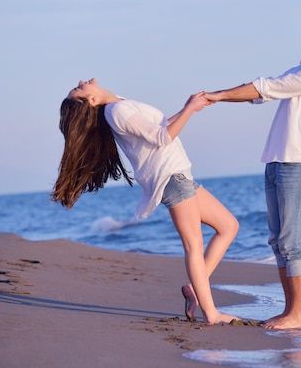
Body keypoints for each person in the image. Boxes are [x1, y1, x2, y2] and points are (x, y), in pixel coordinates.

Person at [51, 78, 239, 325]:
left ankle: (194, 289)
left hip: (180, 174)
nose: (80, 82)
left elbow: (156, 130)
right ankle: (211, 314)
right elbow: (162, 138)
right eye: (78, 89)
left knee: (228, 226)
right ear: (92, 100)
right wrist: (190, 110)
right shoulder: (118, 110)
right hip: (171, 178)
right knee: (194, 245)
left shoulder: (118, 106)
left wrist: (186, 107)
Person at [204, 10, 301, 329]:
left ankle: (297, 316)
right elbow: (265, 92)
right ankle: (288, 311)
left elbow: (268, 88)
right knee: (279, 241)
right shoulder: (300, 69)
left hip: (299, 164)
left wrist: (219, 95)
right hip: (277, 160)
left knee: (293, 242)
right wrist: (228, 96)